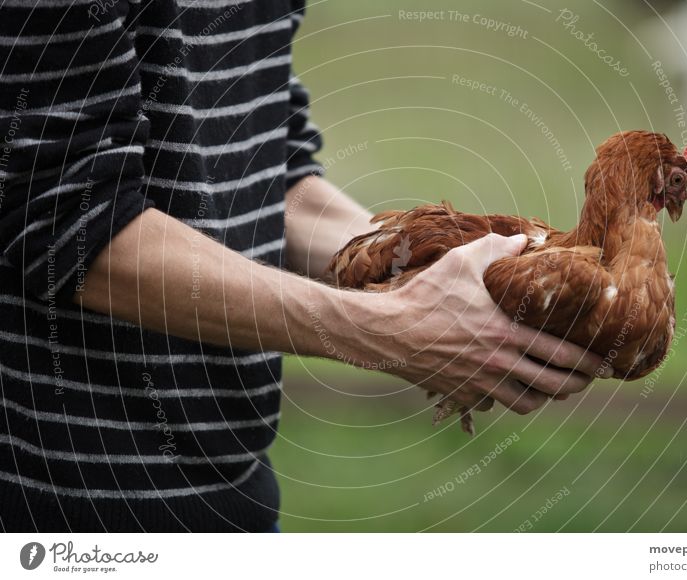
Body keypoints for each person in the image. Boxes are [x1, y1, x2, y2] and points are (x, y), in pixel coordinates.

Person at [0, 0, 609, 532]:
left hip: (236, 501)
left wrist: (431, 261)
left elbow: (269, 174)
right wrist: (391, 326)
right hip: (59, 520)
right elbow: (67, 221)